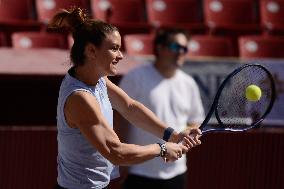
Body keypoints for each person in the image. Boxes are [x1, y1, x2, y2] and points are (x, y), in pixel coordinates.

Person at [48, 8, 202, 189]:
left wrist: (172, 135)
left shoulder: (97, 79)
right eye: (114, 48)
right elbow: (116, 152)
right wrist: (161, 149)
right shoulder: (80, 98)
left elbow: (129, 107)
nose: (121, 55)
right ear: (91, 51)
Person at [119, 28, 205, 189]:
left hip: (176, 173)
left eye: (184, 49)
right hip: (138, 171)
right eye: (175, 47)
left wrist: (188, 138)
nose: (180, 52)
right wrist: (122, 160)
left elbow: (194, 121)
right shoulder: (135, 77)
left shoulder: (189, 83)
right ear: (160, 48)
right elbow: (119, 119)